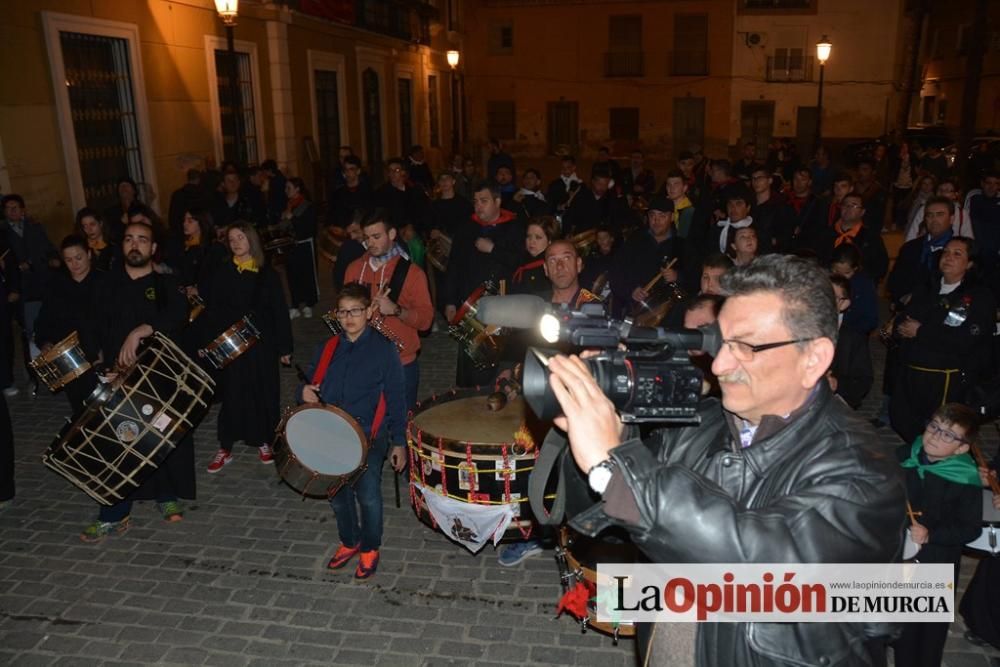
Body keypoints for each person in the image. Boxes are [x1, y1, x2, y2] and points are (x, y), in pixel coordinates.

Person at [546, 254, 905, 666]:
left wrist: (615, 467)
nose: (718, 364)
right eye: (719, 342)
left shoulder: (864, 471)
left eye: (746, 347)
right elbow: (608, 522)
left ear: (814, 359)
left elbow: (759, 565)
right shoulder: (700, 425)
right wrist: (591, 431)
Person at [80, 221, 190, 541]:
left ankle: (166, 495)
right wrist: (101, 366)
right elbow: (90, 327)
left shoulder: (167, 284)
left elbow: (178, 316)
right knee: (117, 444)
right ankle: (114, 513)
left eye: (142, 240)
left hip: (158, 377)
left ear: (153, 248)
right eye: (129, 239)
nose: (135, 245)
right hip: (118, 376)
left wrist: (143, 329)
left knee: (160, 437)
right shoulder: (105, 285)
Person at [299, 283, 407, 579]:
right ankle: (350, 541)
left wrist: (399, 441)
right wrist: (304, 390)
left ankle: (370, 546)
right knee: (336, 493)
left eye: (356, 311)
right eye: (343, 312)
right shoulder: (329, 347)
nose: (349, 318)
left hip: (369, 435)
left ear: (369, 312)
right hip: (332, 433)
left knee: (368, 495)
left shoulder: (384, 350)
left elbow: (398, 397)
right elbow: (310, 380)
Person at [892, 403, 982, 667]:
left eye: (948, 435)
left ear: (962, 447)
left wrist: (932, 535)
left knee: (929, 631)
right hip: (901, 556)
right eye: (934, 426)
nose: (934, 436)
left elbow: (970, 528)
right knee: (902, 623)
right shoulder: (903, 455)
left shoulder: (964, 478)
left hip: (937, 560)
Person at [203, 223, 292, 472]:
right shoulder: (222, 273)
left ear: (251, 239)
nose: (236, 243)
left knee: (263, 392)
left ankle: (265, 441)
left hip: (262, 345)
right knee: (232, 393)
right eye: (231, 239)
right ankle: (225, 446)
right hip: (232, 345)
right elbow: (213, 311)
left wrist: (285, 347)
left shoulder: (266, 273)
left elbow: (279, 312)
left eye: (241, 237)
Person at [889, 237, 996, 444]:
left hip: (944, 379)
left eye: (957, 254)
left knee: (938, 429)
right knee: (903, 419)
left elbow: (969, 337)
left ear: (970, 263)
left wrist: (922, 332)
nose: (948, 258)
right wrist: (900, 328)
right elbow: (906, 317)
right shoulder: (926, 288)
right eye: (946, 252)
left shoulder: (978, 297)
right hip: (911, 370)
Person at [343, 211, 435, 410]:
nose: (370, 243)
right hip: (363, 362)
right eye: (367, 238)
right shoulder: (353, 269)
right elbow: (340, 314)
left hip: (400, 364)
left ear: (392, 234)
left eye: (376, 237)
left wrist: (396, 310)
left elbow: (426, 321)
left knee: (399, 428)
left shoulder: (413, 273)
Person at [443, 181, 523, 387]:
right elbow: (454, 267)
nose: (478, 206)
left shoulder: (514, 228)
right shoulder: (466, 229)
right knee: (470, 365)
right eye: (476, 201)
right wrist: (450, 302)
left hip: (502, 307)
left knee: (497, 364)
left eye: (484, 201)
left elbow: (521, 261)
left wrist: (493, 249)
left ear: (497, 201)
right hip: (470, 308)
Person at [34, 235, 104, 411]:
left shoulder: (106, 283)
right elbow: (44, 320)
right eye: (69, 260)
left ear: (89, 254)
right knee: (81, 411)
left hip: (102, 357)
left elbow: (117, 320)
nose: (74, 264)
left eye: (78, 258)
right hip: (71, 362)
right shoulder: (57, 286)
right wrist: (45, 342)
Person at [2, 194, 59, 393]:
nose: (13, 211)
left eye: (16, 207)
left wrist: (37, 262)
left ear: (23, 209)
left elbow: (49, 249)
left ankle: (56, 369)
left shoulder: (35, 227)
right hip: (22, 291)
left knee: (49, 327)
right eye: (8, 208)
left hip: (43, 285)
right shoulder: (3, 233)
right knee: (28, 333)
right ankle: (34, 375)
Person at [610, 194, 688, 319]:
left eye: (662, 216)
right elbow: (615, 272)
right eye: (652, 215)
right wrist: (631, 290)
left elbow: (695, 278)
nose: (656, 221)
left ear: (672, 217)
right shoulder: (634, 241)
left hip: (668, 316)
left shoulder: (681, 246)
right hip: (634, 311)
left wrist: (678, 276)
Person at [827, 273, 873, 409]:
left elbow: (863, 380)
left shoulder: (853, 338)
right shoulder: (801, 329)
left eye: (832, 297)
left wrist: (836, 383)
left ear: (844, 303)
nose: (825, 301)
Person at [282, 177, 319, 319]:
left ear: (297, 189)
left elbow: (309, 228)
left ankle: (310, 304)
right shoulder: (289, 205)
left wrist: (292, 218)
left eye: (289, 188)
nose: (286, 191)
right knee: (293, 276)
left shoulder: (307, 206)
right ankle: (295, 305)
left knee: (307, 275)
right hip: (291, 245)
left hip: (305, 245)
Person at [510, 216, 558, 297]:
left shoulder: (552, 267)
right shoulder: (520, 260)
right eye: (529, 236)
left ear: (550, 241)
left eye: (538, 237)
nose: (531, 241)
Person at [328, 155, 373, 229]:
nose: (348, 172)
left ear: (358, 171)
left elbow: (370, 216)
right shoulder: (337, 194)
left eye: (351, 169)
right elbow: (331, 217)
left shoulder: (368, 193)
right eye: (345, 169)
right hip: (341, 233)